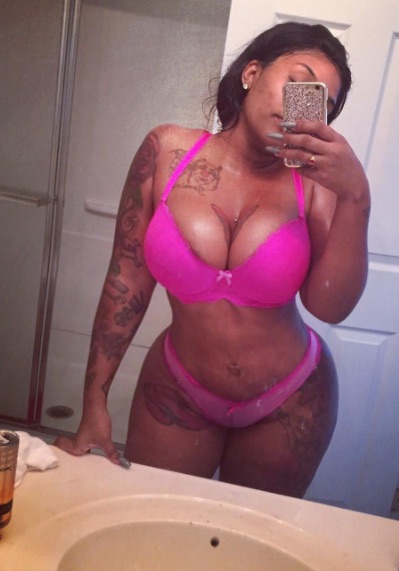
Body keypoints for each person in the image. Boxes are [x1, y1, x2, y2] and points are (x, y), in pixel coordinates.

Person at [55, 21, 370, 498]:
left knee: (253, 535)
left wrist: (357, 197)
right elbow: (126, 281)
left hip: (291, 399)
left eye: (320, 103)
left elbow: (330, 306)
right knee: (155, 520)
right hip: (178, 388)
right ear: (251, 73)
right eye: (297, 82)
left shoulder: (319, 185)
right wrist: (94, 403)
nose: (302, 106)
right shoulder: (166, 151)